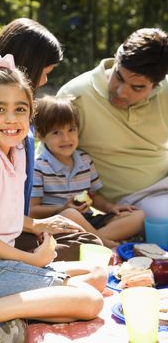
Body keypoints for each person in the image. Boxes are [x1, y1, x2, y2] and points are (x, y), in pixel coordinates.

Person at [0, 56, 107, 343]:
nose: (11, 118)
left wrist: (38, 225)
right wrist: (32, 260)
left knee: (96, 273)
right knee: (90, 300)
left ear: (31, 114)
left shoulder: (14, 152)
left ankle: (8, 317)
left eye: (20, 109)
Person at [57, 27, 168, 218]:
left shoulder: (165, 92)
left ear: (156, 85)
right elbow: (48, 157)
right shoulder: (75, 95)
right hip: (123, 202)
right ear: (116, 60)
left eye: (137, 87)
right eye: (119, 77)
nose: (121, 92)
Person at [30, 95, 144, 248]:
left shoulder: (84, 160)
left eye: (71, 130)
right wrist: (63, 208)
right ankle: (105, 243)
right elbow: (32, 211)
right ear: (41, 136)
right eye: (56, 132)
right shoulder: (39, 167)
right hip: (60, 223)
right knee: (71, 214)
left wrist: (111, 207)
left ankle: (95, 240)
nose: (66, 138)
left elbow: (94, 196)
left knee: (138, 216)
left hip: (88, 221)